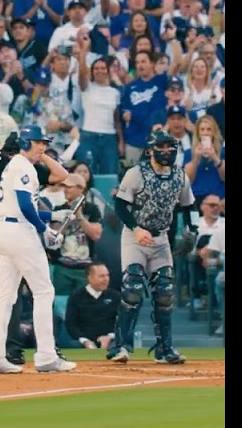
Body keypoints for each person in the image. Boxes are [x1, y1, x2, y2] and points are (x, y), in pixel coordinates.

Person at [0, 125, 76, 373]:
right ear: (24, 143)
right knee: (44, 291)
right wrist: (45, 229)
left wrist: (53, 214)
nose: (42, 147)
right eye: (37, 142)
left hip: (4, 230)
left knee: (5, 297)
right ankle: (46, 356)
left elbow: (23, 206)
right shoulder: (24, 166)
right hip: (19, 232)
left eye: (44, 142)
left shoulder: (16, 166)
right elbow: (25, 206)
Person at [106, 131, 194, 365]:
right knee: (132, 288)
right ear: (150, 150)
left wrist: (190, 230)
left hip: (161, 238)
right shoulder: (136, 174)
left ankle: (165, 349)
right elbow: (121, 205)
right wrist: (136, 228)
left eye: (170, 146)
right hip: (136, 237)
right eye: (161, 147)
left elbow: (186, 207)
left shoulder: (180, 175)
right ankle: (120, 346)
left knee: (165, 292)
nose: (167, 151)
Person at [64, 263, 118, 351]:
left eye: (107, 275)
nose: (106, 279)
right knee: (73, 345)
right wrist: (84, 341)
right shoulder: (76, 296)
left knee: (117, 344)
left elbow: (120, 323)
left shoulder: (115, 296)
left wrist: (109, 337)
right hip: (82, 341)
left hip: (110, 340)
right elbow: (71, 323)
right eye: (101, 276)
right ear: (90, 278)